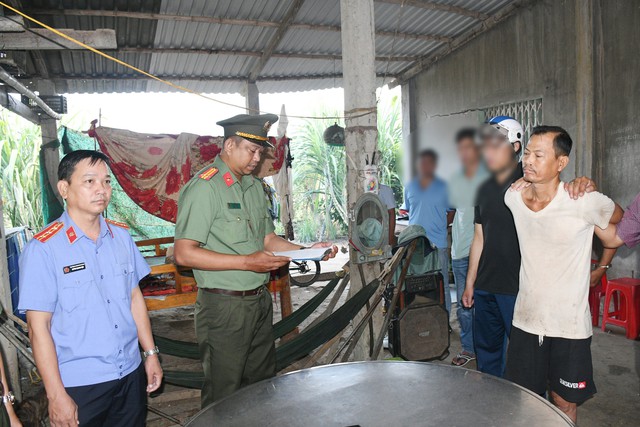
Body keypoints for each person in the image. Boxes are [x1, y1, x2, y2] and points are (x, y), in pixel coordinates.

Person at [174, 114, 337, 407]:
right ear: (229, 146)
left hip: (258, 301)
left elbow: (268, 240)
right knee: (224, 394)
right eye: (251, 150)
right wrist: (247, 263)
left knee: (261, 386)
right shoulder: (205, 188)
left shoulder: (253, 187)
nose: (257, 158)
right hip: (224, 306)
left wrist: (307, 250)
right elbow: (184, 253)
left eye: (260, 152)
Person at [19, 150, 163, 427]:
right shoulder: (43, 249)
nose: (102, 189)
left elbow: (134, 298)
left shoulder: (121, 237)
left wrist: (150, 354)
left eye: (106, 181)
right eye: (89, 181)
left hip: (130, 372)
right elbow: (39, 328)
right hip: (80, 384)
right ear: (64, 189)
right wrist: (55, 395)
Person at [503, 126, 623, 423]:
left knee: (564, 400)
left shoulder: (583, 201)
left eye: (538, 155)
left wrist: (601, 268)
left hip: (569, 326)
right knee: (525, 399)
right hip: (526, 321)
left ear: (561, 162)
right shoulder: (513, 198)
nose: (528, 160)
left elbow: (618, 226)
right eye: (527, 153)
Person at [460, 116, 525, 377]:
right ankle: (492, 399)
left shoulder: (530, 183)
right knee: (487, 356)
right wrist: (470, 283)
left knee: (524, 358)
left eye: (496, 145)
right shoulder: (483, 187)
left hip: (518, 287)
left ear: (515, 146)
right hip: (486, 285)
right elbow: (479, 237)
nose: (489, 151)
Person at [448, 128, 489, 367]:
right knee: (464, 308)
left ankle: (485, 350)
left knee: (483, 306)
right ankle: (469, 349)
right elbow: (458, 213)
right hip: (459, 252)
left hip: (480, 253)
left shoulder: (489, 178)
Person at [401, 149, 451, 313]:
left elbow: (452, 211)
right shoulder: (409, 186)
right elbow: (410, 211)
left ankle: (445, 320)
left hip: (438, 244)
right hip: (416, 245)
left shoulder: (444, 187)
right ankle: (421, 320)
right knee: (416, 285)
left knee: (441, 284)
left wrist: (441, 227)